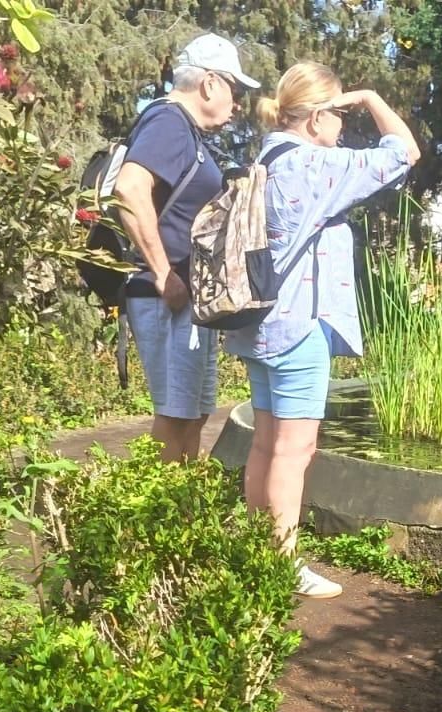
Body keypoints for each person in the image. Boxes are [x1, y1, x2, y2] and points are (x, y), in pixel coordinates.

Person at [224, 63, 419, 599]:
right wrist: (372, 98)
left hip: (258, 323)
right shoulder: (314, 165)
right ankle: (282, 565)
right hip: (299, 326)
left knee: (266, 443)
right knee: (295, 450)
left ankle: (258, 552)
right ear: (314, 118)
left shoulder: (266, 158)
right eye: (339, 115)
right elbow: (404, 151)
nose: (343, 126)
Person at [111, 33, 260, 464]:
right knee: (176, 416)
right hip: (166, 294)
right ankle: (157, 502)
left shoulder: (184, 130)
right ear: (210, 83)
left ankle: (183, 498)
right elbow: (129, 188)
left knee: (195, 414)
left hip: (185, 296)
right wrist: (163, 274)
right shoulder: (169, 121)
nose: (238, 104)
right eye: (235, 90)